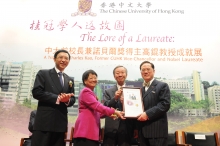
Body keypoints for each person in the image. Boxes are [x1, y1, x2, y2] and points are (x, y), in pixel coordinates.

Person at [31, 50, 75, 146]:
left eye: (66, 58)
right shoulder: (43, 73)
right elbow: (37, 92)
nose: (63, 60)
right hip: (44, 122)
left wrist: (67, 100)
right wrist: (58, 98)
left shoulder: (69, 79)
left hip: (61, 123)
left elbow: (72, 98)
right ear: (54, 59)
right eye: (60, 57)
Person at [73, 69, 125, 146]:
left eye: (95, 78)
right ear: (85, 81)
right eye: (91, 78)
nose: (94, 80)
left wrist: (112, 114)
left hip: (91, 132)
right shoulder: (86, 92)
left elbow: (98, 113)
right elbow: (98, 107)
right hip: (85, 130)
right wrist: (114, 111)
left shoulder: (91, 93)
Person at [137, 61, 171, 146]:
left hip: (157, 132)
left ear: (154, 71)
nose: (145, 72)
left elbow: (165, 104)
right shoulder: (140, 89)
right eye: (143, 70)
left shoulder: (162, 85)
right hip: (142, 132)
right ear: (141, 72)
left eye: (148, 69)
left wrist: (147, 114)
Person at [103, 65, 136, 146]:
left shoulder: (133, 90)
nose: (120, 75)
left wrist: (136, 128)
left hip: (127, 127)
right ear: (114, 76)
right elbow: (106, 106)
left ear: (126, 75)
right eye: (117, 73)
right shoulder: (108, 91)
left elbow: (136, 109)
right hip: (111, 127)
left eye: (122, 72)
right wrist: (115, 98)